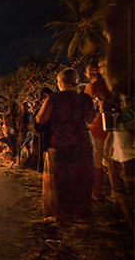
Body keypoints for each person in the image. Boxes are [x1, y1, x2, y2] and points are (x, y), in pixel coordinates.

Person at [36, 68, 95, 222]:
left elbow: (41, 118)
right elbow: (90, 119)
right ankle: (81, 213)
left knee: (60, 178)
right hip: (83, 141)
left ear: (61, 82)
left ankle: (60, 214)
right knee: (80, 176)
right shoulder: (85, 99)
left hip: (61, 141)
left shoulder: (55, 99)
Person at [101, 93, 134, 233]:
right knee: (120, 194)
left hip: (130, 158)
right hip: (118, 157)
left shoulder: (129, 114)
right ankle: (130, 223)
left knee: (131, 197)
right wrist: (106, 155)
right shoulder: (116, 115)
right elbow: (110, 133)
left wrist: (125, 116)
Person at [84, 60, 112, 200]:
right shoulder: (106, 85)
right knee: (105, 161)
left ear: (94, 71)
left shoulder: (95, 87)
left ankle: (96, 192)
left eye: (87, 70)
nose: (86, 73)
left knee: (98, 163)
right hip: (103, 128)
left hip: (97, 128)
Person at [14, 102, 34, 167]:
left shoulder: (24, 114)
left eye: (22, 107)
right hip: (31, 132)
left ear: (26, 107)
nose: (21, 108)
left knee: (19, 147)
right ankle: (30, 162)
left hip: (24, 132)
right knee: (29, 147)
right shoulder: (32, 114)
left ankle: (18, 162)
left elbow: (19, 122)